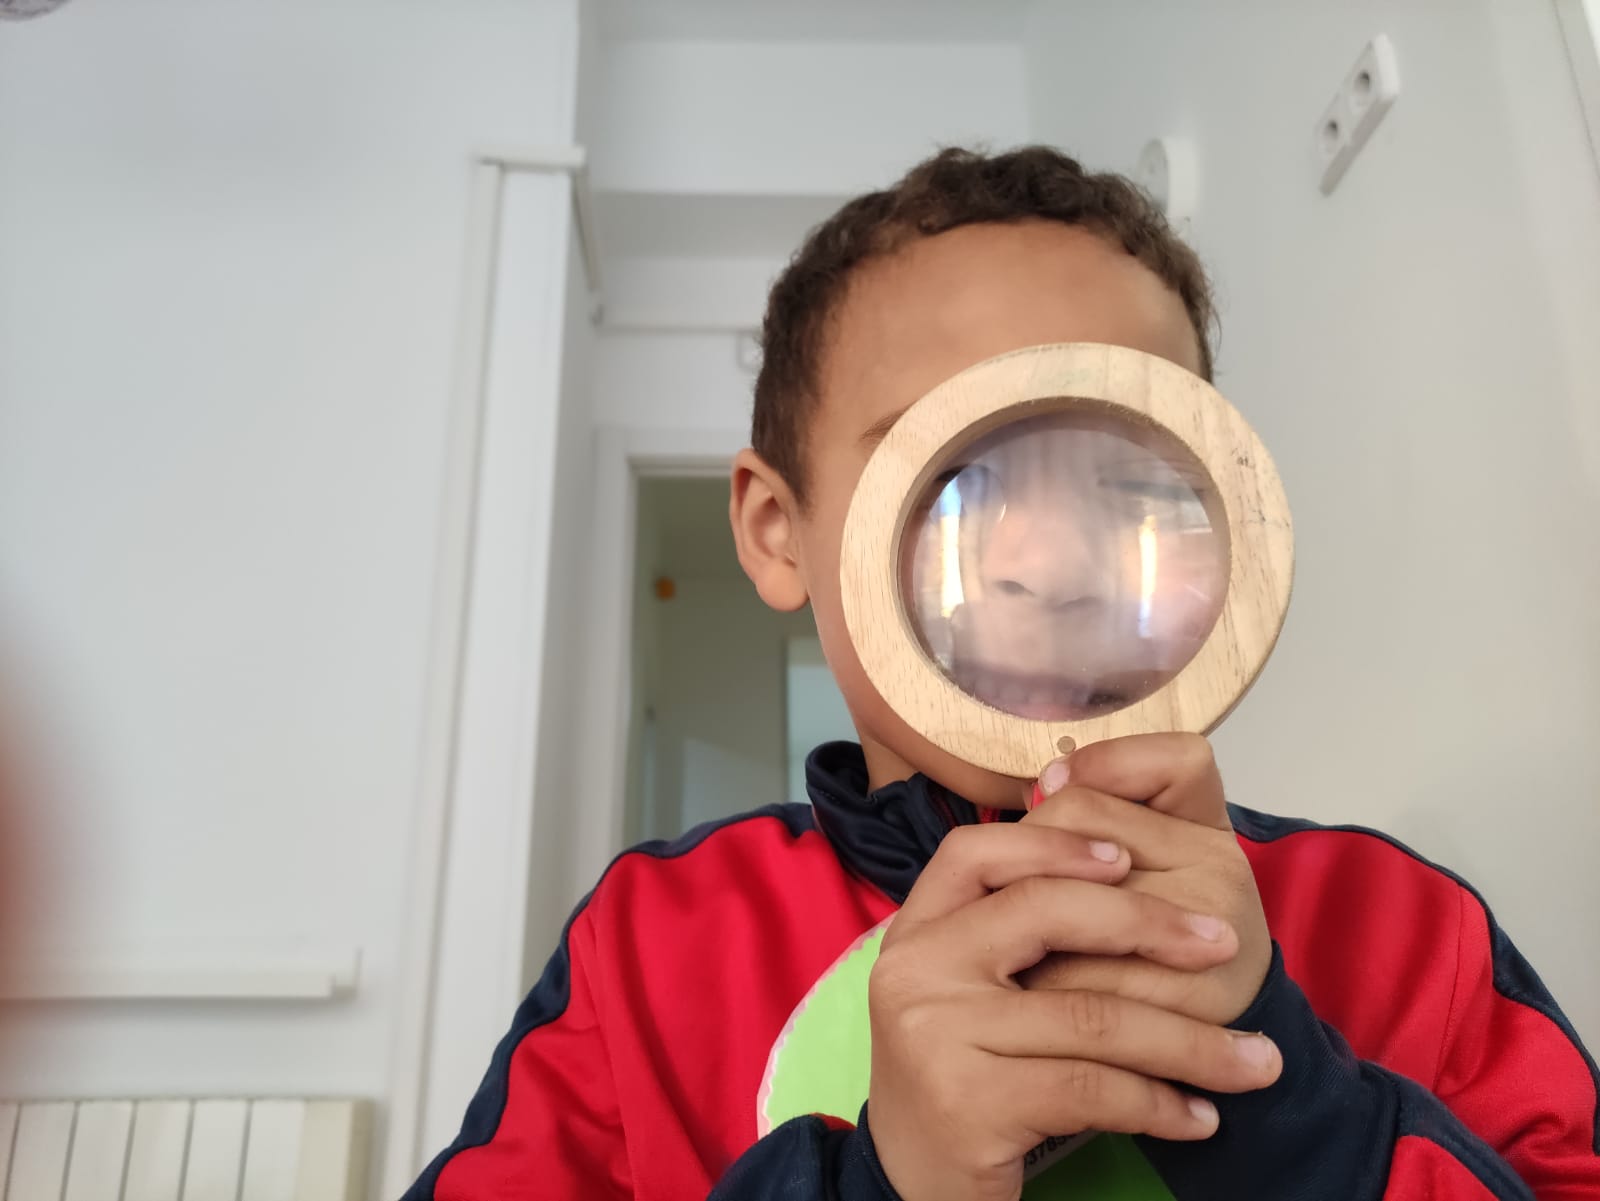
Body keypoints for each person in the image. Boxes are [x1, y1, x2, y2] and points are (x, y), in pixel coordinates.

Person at [402, 148, 1599, 1201]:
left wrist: (1290, 1106)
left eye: (1133, 486)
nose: (1057, 564)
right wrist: (876, 1182)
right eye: (957, 479)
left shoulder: (1395, 924)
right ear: (778, 531)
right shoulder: (655, 950)